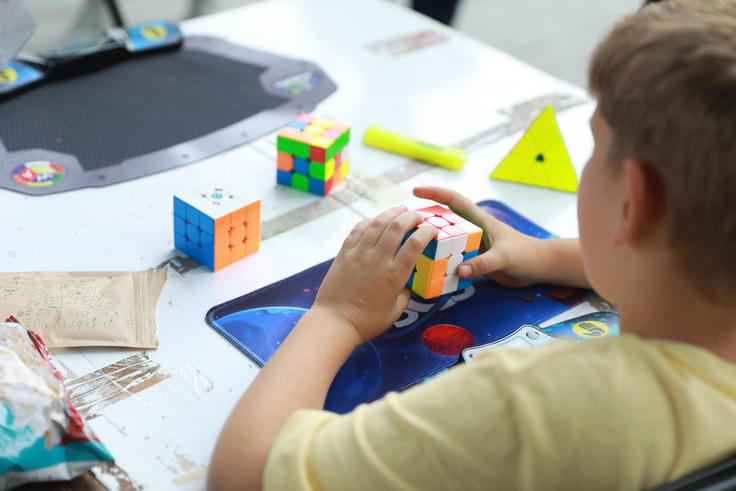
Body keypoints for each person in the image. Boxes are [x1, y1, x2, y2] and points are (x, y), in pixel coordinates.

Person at [208, 0, 736, 489]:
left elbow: (246, 476)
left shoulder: (536, 407)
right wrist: (544, 254)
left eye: (596, 145)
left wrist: (336, 317)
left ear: (632, 206)